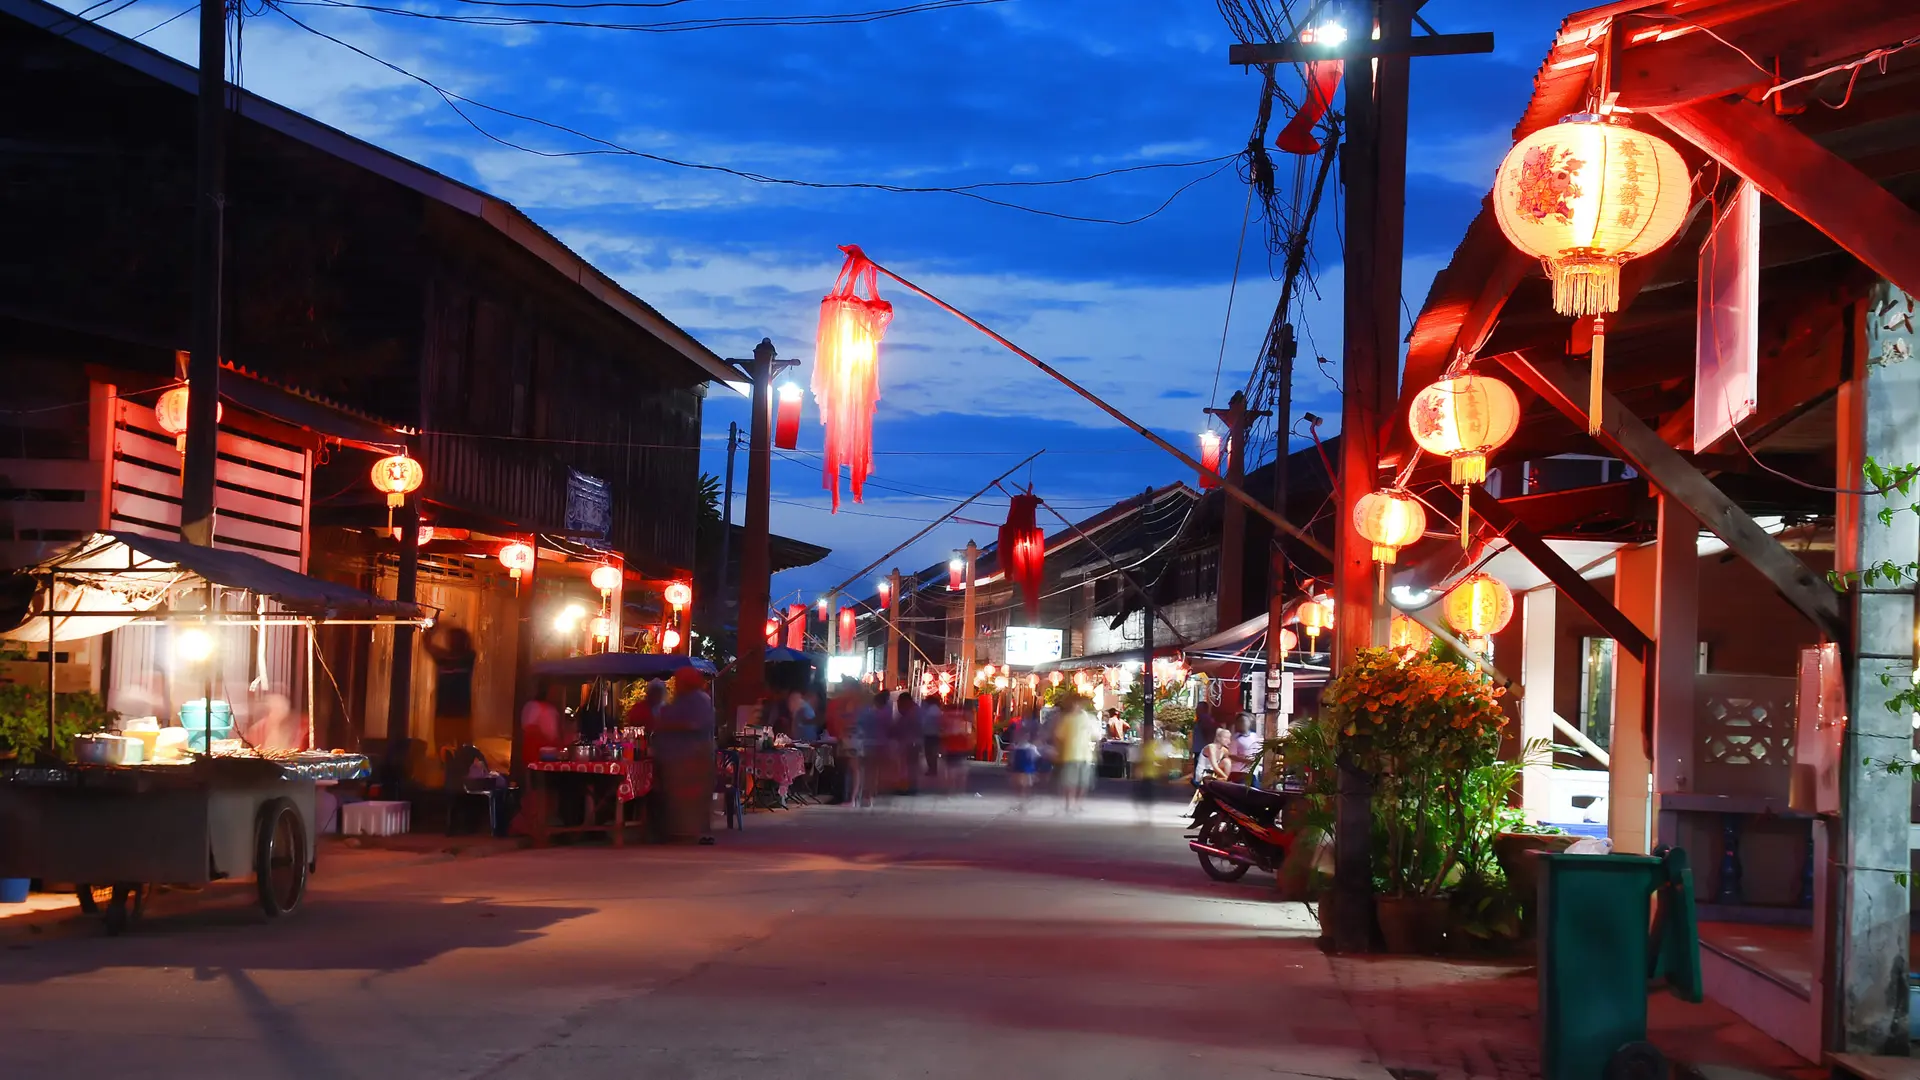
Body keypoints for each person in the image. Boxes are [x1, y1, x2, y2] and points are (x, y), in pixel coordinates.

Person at [651, 667, 716, 843]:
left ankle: (690, 833)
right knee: (677, 798)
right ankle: (679, 832)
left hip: (690, 757)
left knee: (690, 798)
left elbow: (696, 724)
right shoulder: (681, 700)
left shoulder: (700, 700)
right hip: (676, 757)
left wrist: (668, 725)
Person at [1050, 693, 1099, 814]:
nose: (1077, 706)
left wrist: (1096, 749)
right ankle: (1069, 803)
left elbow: (1096, 736)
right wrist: (1058, 751)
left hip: (1085, 755)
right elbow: (1058, 736)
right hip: (1070, 754)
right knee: (1070, 782)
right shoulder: (1067, 719)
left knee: (1083, 782)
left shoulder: (1089, 718)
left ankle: (1078, 804)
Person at [1132, 723, 1175, 821]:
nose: (1147, 734)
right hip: (1144, 775)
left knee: (1147, 796)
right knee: (1142, 796)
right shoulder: (1142, 746)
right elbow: (1137, 761)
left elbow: (1161, 758)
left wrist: (1163, 771)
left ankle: (1146, 815)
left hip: (1151, 775)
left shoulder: (1153, 745)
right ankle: (1144, 815)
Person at [939, 700, 975, 795]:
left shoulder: (945, 716)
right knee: (962, 769)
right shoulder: (964, 717)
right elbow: (968, 732)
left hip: (949, 746)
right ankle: (960, 789)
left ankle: (950, 789)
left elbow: (942, 731)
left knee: (950, 769)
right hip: (962, 746)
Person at [1007, 706, 1040, 809]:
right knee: (1020, 784)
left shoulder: (1029, 747)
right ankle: (1022, 801)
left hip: (1025, 769)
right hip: (1022, 768)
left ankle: (1023, 801)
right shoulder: (1022, 747)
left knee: (1023, 785)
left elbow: (1035, 757)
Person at [1192, 726, 1233, 807]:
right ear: (1218, 737)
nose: (1228, 741)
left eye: (1229, 738)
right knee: (1226, 780)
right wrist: (1226, 778)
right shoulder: (1211, 747)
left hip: (1213, 774)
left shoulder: (1224, 750)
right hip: (1204, 774)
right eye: (1226, 738)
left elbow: (1233, 759)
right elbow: (1215, 766)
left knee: (1227, 761)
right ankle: (1226, 783)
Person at [1230, 717, 1264, 786]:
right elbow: (1231, 755)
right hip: (1239, 771)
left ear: (1249, 723)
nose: (1242, 724)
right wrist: (1246, 760)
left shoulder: (1254, 736)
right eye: (1240, 722)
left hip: (1253, 772)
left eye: (1244, 721)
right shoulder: (1235, 738)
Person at [920, 694, 944, 779]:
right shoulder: (937, 710)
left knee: (929, 752)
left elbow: (924, 722)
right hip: (935, 734)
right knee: (933, 753)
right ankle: (933, 769)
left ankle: (931, 769)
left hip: (929, 734)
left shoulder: (929, 710)